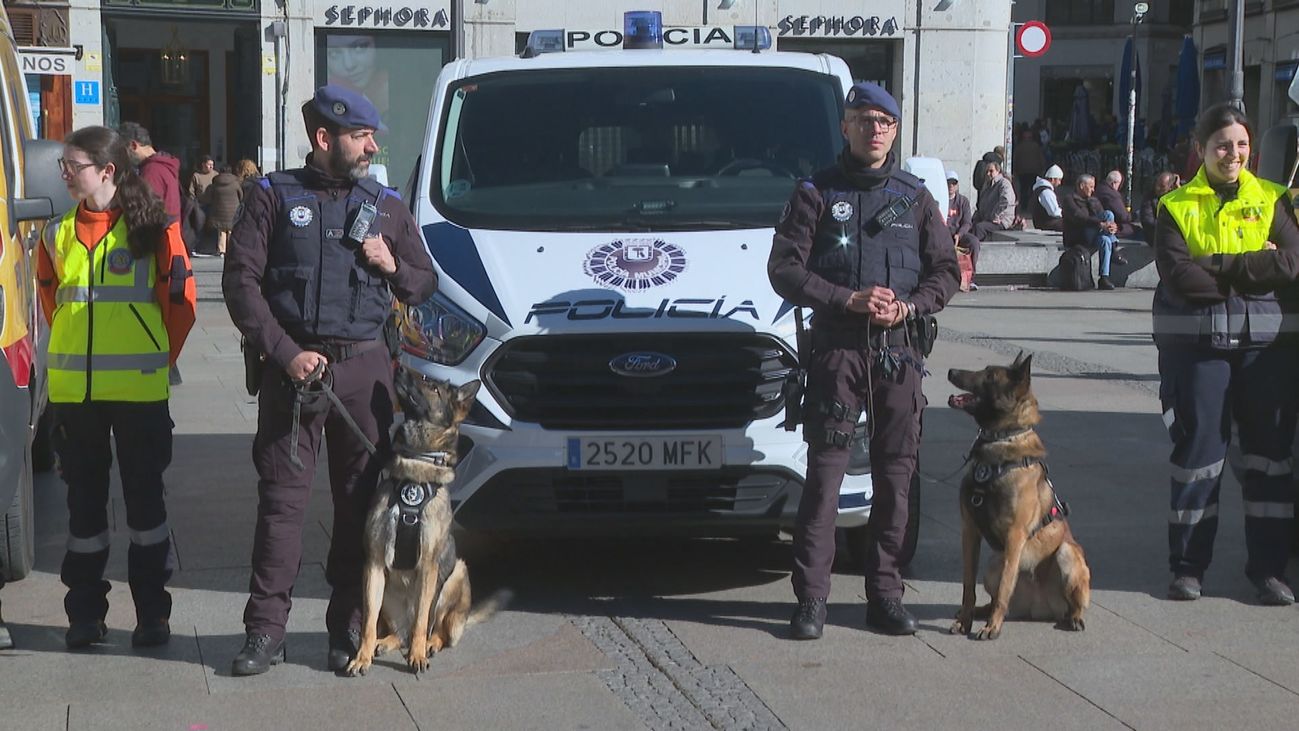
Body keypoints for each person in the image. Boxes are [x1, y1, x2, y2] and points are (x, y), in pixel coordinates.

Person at [222, 85, 436, 676]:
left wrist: (392, 266)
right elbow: (241, 285)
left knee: (358, 505)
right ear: (324, 138)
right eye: (361, 136)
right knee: (281, 506)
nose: (371, 146)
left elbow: (424, 282)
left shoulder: (386, 205)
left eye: (372, 136)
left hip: (364, 373)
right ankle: (265, 631)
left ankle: (347, 625)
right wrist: (286, 354)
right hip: (294, 373)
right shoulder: (270, 196)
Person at [769, 82, 959, 640]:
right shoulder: (815, 193)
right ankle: (811, 601)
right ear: (846, 126)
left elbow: (945, 272)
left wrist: (909, 305)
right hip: (836, 353)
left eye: (884, 120)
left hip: (898, 353)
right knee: (825, 479)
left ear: (895, 131)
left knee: (896, 480)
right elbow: (783, 269)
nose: (874, 128)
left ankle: (886, 595)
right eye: (863, 118)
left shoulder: (915, 197)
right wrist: (846, 299)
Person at [35, 125, 196, 649]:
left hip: (139, 394)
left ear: (106, 171)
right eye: (63, 165)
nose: (64, 174)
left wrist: (157, 358)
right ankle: (84, 614)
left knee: (146, 511)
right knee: (83, 512)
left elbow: (182, 305)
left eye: (72, 166)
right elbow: (49, 302)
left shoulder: (152, 229)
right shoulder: (55, 233)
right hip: (74, 398)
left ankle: (153, 615)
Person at [1152, 103, 1299, 606]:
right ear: (1201, 148)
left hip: (1263, 350)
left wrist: (1222, 265)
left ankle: (1269, 571)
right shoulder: (1175, 205)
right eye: (1221, 144)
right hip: (1199, 350)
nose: (1231, 153)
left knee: (1269, 459)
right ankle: (1188, 568)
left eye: (1240, 144)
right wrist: (1254, 275)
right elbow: (1180, 276)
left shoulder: (1274, 198)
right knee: (1199, 458)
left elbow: (1293, 262)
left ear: (1251, 148)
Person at [119, 122, 187, 385]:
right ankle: (167, 369)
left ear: (134, 145)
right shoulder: (165, 167)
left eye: (123, 150)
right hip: (169, 250)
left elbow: (145, 216)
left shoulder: (151, 173)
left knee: (152, 316)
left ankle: (164, 370)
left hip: (157, 252)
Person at [1062, 174, 1121, 290]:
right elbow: (1079, 217)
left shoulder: (1094, 200)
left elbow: (1103, 218)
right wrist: (1100, 224)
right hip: (1078, 235)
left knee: (1105, 239)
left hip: (1093, 234)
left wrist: (1112, 227)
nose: (1093, 190)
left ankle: (1104, 277)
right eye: (1091, 186)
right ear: (1081, 186)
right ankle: (1114, 250)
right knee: (1107, 217)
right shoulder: (1069, 199)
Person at [946, 169, 979, 290]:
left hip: (959, 233)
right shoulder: (940, 199)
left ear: (957, 185)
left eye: (953, 183)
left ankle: (970, 279)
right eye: (948, 182)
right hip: (945, 234)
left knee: (974, 242)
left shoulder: (963, 201)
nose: (951, 186)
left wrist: (959, 234)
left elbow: (967, 222)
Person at [201, 164, 242, 257]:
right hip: (233, 211)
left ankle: (221, 250)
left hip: (219, 210)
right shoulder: (235, 183)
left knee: (221, 231)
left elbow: (208, 197)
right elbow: (241, 195)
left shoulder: (215, 183)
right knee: (231, 230)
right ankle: (231, 249)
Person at [971, 158, 1017, 239]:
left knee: (979, 228)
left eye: (991, 171)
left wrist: (996, 216)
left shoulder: (1004, 183)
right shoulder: (987, 185)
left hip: (1002, 220)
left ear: (998, 171)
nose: (988, 174)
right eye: (987, 172)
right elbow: (982, 204)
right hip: (988, 219)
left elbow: (1005, 201)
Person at [1094, 170, 1139, 238]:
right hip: (1112, 226)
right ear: (1114, 183)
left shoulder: (1099, 188)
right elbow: (1123, 216)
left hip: (1098, 222)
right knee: (1136, 230)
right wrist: (1135, 215)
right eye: (1119, 184)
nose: (1120, 187)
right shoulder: (1112, 195)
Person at [1140, 171, 1179, 246]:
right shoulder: (1149, 196)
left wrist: (1178, 188)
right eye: (1157, 184)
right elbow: (1147, 220)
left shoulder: (1175, 196)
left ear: (1170, 187)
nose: (1158, 188)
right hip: (1155, 235)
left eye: (1162, 186)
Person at [1012, 129, 1046, 213]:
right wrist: (1042, 169)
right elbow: (1041, 158)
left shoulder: (1019, 147)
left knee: (1023, 188)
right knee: (1032, 188)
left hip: (1022, 171)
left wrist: (1015, 170)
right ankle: (1032, 205)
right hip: (1034, 171)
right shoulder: (1036, 146)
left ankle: (1024, 205)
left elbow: (1015, 159)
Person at [1030, 164, 1065, 232]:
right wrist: (1067, 213)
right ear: (1052, 179)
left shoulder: (1040, 189)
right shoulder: (1046, 192)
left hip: (1043, 223)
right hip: (1047, 223)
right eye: (1059, 180)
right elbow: (1054, 212)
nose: (1060, 183)